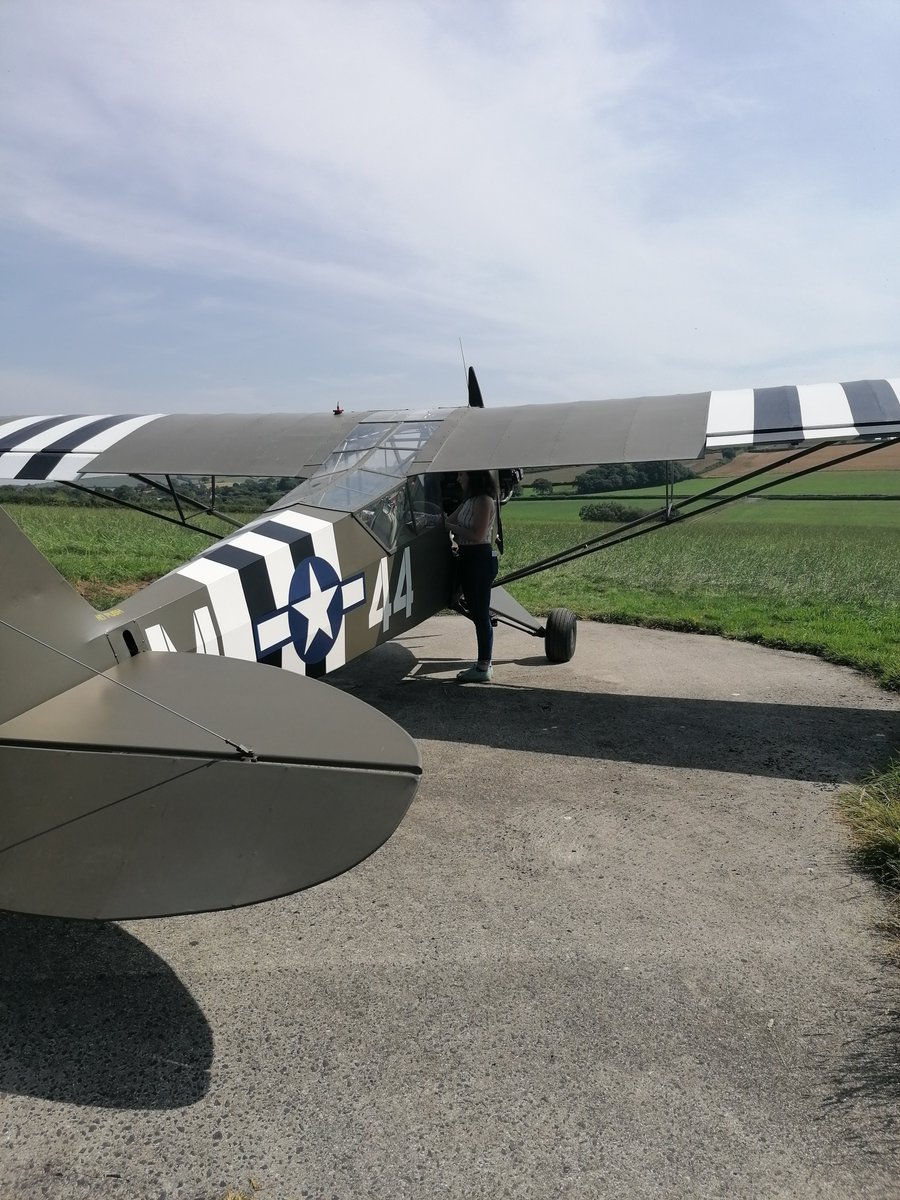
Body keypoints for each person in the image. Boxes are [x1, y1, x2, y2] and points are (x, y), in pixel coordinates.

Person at [444, 470, 498, 682]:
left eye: (461, 475)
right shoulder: (469, 501)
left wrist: (449, 527)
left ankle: (484, 666)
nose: (458, 478)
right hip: (468, 558)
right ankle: (483, 663)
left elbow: (477, 534)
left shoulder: (484, 501)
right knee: (477, 612)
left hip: (480, 559)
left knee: (481, 614)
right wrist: (447, 524)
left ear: (473, 477)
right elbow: (449, 519)